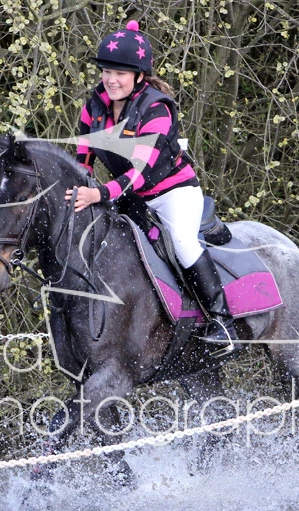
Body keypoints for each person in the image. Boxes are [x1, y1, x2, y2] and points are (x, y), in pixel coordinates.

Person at [65, 20, 239, 353]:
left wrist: (98, 193)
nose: (111, 80)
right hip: (129, 197)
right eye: (106, 71)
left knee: (183, 243)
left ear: (139, 76)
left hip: (173, 193)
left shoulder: (157, 109)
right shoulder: (94, 107)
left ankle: (222, 322)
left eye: (120, 73)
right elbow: (83, 158)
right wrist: (78, 191)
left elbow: (139, 173)